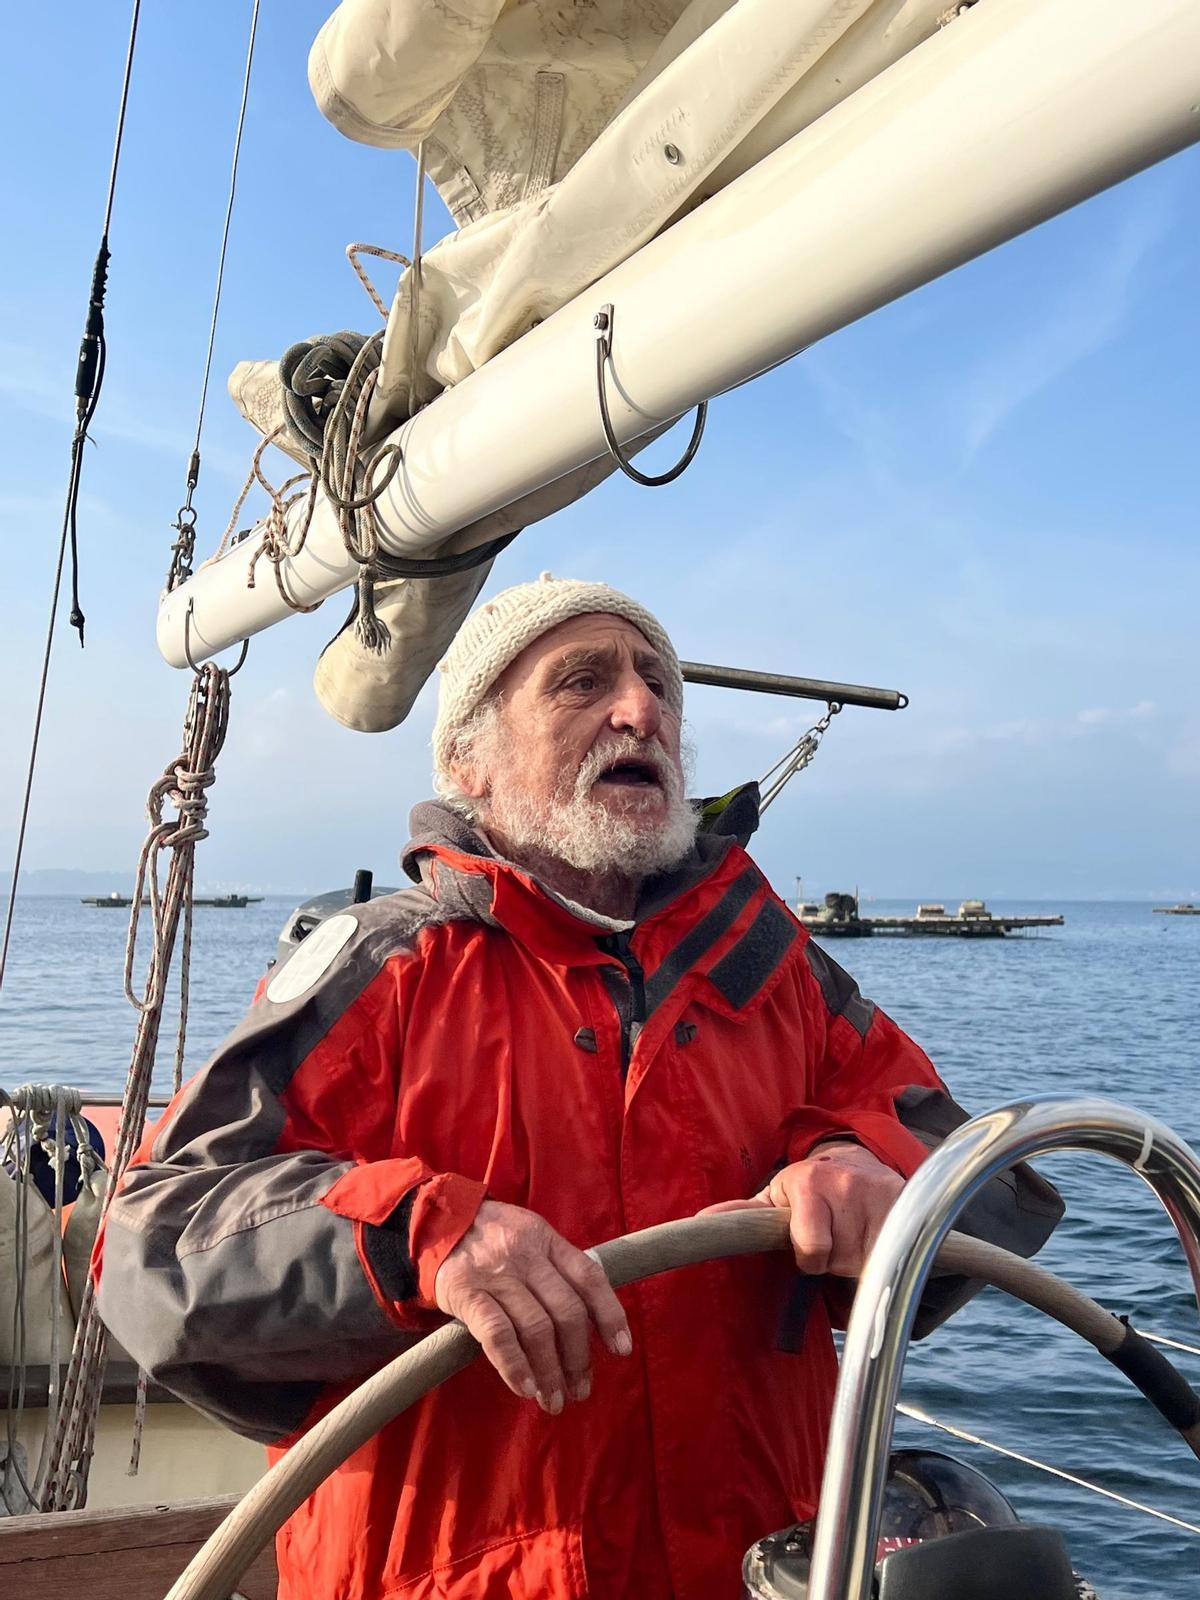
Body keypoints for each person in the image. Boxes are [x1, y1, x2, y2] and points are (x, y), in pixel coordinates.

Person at [96, 574, 1061, 1600]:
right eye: (582, 682)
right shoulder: (382, 970)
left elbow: (997, 1179)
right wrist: (417, 1236)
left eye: (657, 683)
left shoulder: (776, 970)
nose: (642, 707)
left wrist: (870, 1166)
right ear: (474, 758)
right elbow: (153, 1249)